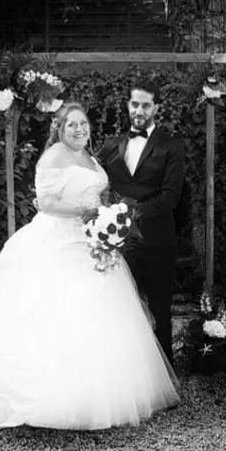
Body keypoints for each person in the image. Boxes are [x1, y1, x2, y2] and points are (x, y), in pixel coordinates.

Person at [0, 101, 179, 430]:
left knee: (107, 312)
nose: (79, 129)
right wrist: (88, 213)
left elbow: (97, 196)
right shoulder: (53, 156)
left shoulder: (90, 157)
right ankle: (61, 400)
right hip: (60, 241)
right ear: (60, 128)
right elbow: (46, 203)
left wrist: (107, 219)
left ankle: (105, 394)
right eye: (71, 124)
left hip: (92, 240)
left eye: (83, 123)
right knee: (66, 310)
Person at [96, 82, 186, 365]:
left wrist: (128, 215)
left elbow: (171, 196)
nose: (139, 110)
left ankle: (165, 373)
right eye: (135, 104)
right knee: (122, 310)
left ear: (155, 108)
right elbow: (91, 179)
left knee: (160, 310)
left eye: (146, 105)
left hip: (159, 242)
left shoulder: (171, 145)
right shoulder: (110, 145)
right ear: (128, 106)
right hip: (121, 245)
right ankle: (126, 371)